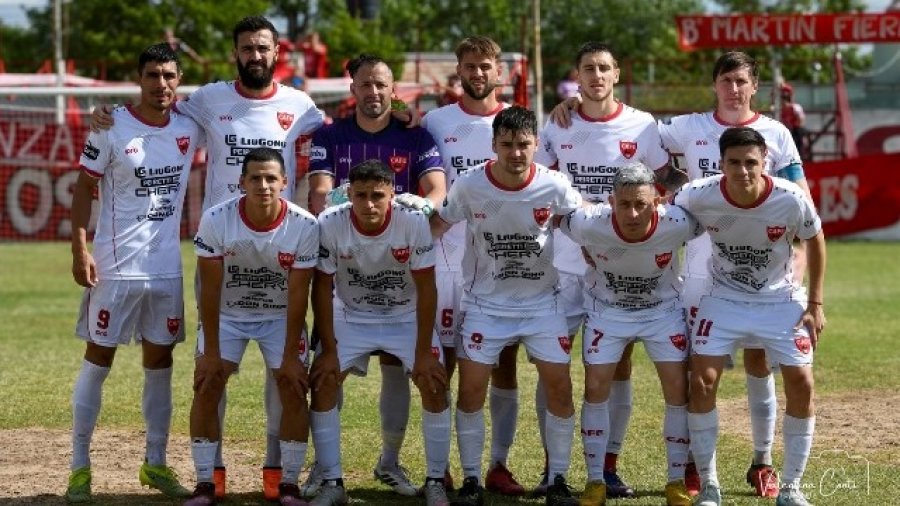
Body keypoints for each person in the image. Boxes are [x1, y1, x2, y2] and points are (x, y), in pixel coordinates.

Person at [550, 50, 811, 498]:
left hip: (763, 271)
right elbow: (634, 136)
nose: (733, 89)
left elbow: (800, 204)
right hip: (695, 270)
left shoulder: (777, 134)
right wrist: (578, 106)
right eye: (726, 80)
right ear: (715, 84)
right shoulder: (686, 128)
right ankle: (692, 466)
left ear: (754, 87)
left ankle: (762, 461)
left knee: (759, 359)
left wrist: (796, 265)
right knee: (694, 373)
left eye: (741, 81)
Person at [93, 16, 326, 500]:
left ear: (276, 51)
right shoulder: (207, 101)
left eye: (263, 47)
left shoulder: (300, 106)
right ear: (235, 53)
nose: (255, 55)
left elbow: (338, 135)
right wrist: (109, 113)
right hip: (221, 251)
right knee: (211, 371)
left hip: (282, 250)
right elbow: (156, 108)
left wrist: (400, 116)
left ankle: (275, 474)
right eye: (246, 48)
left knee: (282, 373)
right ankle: (211, 475)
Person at [534, 41, 678, 498]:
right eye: (588, 69)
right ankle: (554, 471)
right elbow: (540, 184)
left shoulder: (643, 125)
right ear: (576, 76)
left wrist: (651, 210)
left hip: (618, 267)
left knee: (618, 366)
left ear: (616, 74)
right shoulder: (558, 124)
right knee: (553, 367)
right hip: (563, 265)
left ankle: (608, 467)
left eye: (604, 68)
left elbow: (668, 178)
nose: (596, 76)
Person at [302, 53, 446, 499]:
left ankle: (392, 462)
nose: (374, 92)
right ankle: (327, 472)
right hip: (349, 274)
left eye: (382, 85)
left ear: (392, 90)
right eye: (366, 84)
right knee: (325, 372)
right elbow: (320, 195)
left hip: (400, 272)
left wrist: (412, 207)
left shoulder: (416, 134)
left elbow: (438, 192)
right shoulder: (331, 135)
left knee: (412, 371)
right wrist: (363, 202)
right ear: (354, 90)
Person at [66, 43, 202, 503]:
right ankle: (79, 469)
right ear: (138, 79)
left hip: (166, 272)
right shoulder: (110, 126)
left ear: (178, 80)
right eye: (151, 75)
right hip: (116, 269)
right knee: (97, 361)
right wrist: (79, 248)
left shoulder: (189, 126)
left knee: (160, 365)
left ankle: (156, 464)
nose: (160, 84)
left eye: (168, 75)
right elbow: (84, 187)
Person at [430, 106, 583, 506]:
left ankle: (560, 479)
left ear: (536, 144)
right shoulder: (469, 185)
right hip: (485, 305)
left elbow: (586, 226)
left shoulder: (555, 185)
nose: (516, 153)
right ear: (494, 145)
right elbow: (437, 224)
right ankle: (470, 480)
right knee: (471, 392)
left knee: (560, 388)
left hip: (542, 305)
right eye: (507, 145)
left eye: (524, 145)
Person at [673, 126, 825, 506]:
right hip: (723, 297)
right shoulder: (698, 194)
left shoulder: (789, 198)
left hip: (779, 299)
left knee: (802, 382)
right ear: (721, 164)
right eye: (734, 163)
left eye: (751, 163)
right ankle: (709, 486)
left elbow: (816, 239)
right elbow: (665, 221)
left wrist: (815, 304)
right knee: (703, 381)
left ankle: (790, 487)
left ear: (766, 163)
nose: (743, 171)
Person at [420, 35, 525, 497]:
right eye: (469, 66)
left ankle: (499, 466)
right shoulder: (434, 121)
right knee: (441, 368)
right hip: (445, 264)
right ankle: (440, 468)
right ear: (458, 71)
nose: (478, 73)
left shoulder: (519, 122)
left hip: (501, 264)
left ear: (499, 71)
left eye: (486, 65)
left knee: (504, 364)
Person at [559, 163, 700, 506]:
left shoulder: (679, 222)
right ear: (611, 201)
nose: (633, 213)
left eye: (642, 204)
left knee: (678, 390)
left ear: (658, 201)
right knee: (595, 387)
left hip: (662, 312)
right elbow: (554, 216)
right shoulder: (588, 222)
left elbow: (717, 218)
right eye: (624, 204)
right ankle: (595, 482)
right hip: (608, 311)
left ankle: (675, 482)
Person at [184, 147, 319, 506]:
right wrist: (210, 352)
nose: (263, 185)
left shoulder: (304, 225)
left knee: (292, 384)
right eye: (255, 178)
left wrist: (292, 355)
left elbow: (297, 294)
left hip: (278, 316)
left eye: (271, 178)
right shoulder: (216, 219)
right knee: (207, 382)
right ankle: (205, 483)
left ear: (285, 182)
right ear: (241, 182)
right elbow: (208, 290)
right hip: (227, 315)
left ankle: (287, 483)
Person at [778, 82, 807, 161]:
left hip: (795, 131)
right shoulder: (780, 110)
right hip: (787, 132)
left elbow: (801, 120)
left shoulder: (795, 107)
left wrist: (796, 128)